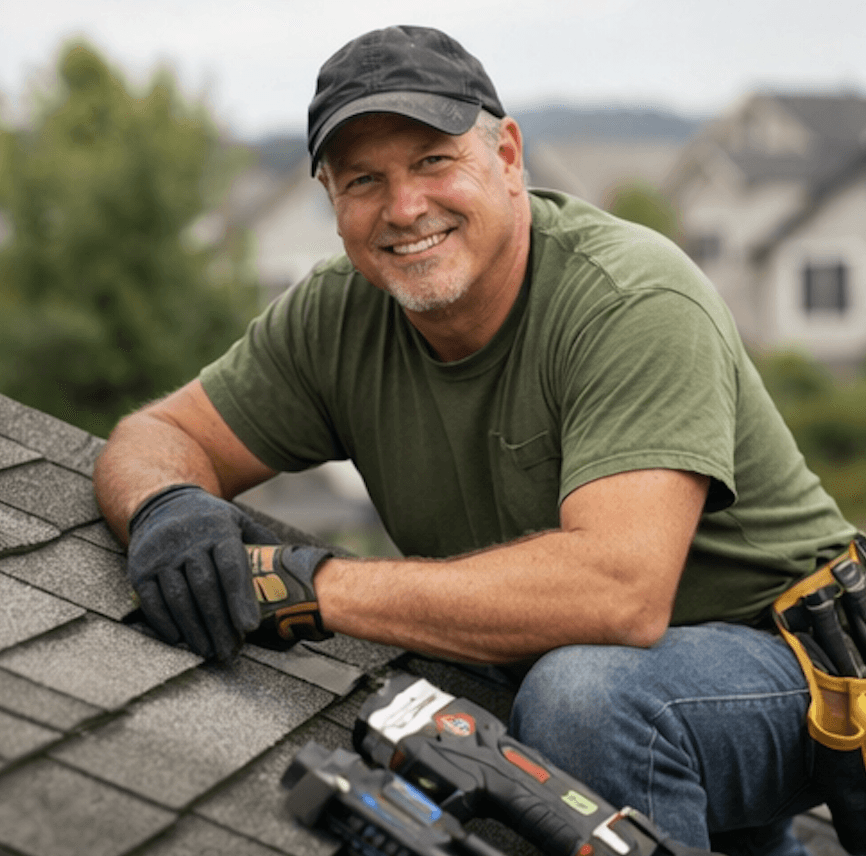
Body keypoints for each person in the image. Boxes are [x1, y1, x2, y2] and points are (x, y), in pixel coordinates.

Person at [93, 25, 857, 856]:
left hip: (802, 669)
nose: (404, 207)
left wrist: (312, 586)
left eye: (433, 161)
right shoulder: (339, 316)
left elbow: (619, 593)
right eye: (363, 180)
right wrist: (167, 503)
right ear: (330, 200)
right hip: (639, 688)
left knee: (584, 701)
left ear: (508, 157)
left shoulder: (630, 297)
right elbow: (160, 432)